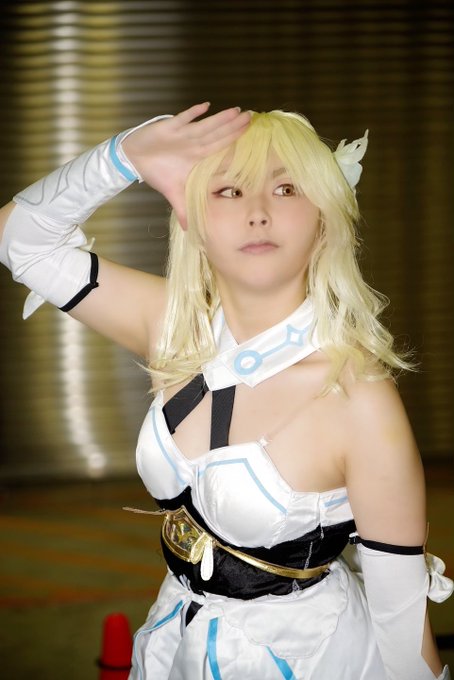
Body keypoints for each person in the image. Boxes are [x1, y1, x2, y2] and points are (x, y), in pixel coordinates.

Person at [0, 103, 452, 680]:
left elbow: (402, 623)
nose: (258, 213)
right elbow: (21, 241)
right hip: (173, 642)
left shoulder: (358, 397)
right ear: (192, 216)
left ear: (324, 217)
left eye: (286, 189)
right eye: (229, 191)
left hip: (312, 658)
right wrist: (126, 155)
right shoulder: (172, 326)